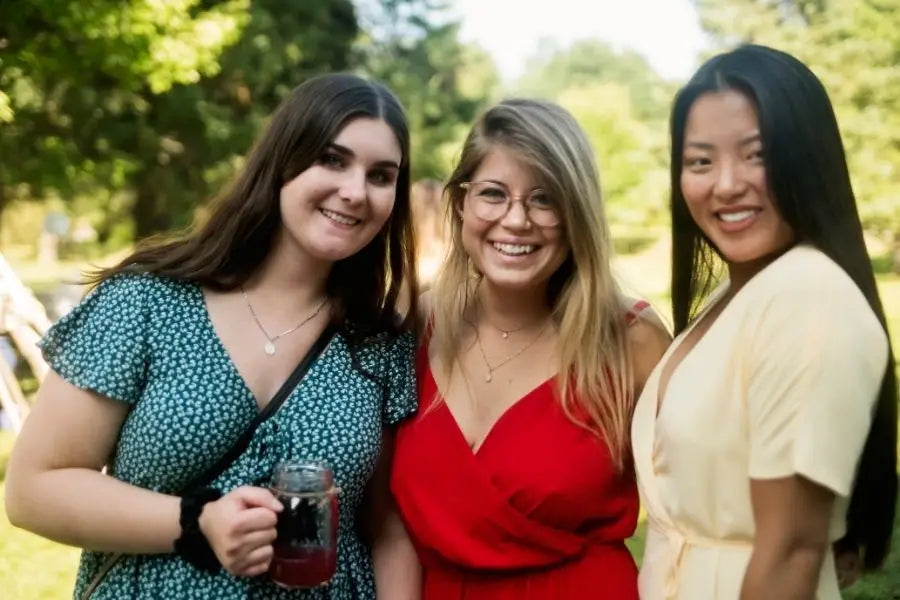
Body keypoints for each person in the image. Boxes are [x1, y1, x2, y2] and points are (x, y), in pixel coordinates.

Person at [5, 73, 421, 599]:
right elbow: (33, 489)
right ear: (283, 161)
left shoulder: (379, 343)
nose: (355, 191)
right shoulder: (148, 302)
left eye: (381, 176)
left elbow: (384, 527)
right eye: (332, 160)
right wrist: (197, 521)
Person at [631, 44, 898, 599]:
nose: (726, 184)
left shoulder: (809, 296)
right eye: (700, 161)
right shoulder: (736, 293)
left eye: (757, 154)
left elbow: (791, 552)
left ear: (809, 158)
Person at [390, 98, 671, 599]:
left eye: (545, 199)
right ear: (461, 204)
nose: (516, 220)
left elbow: (693, 517)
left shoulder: (631, 340)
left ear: (577, 214)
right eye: (494, 194)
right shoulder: (414, 326)